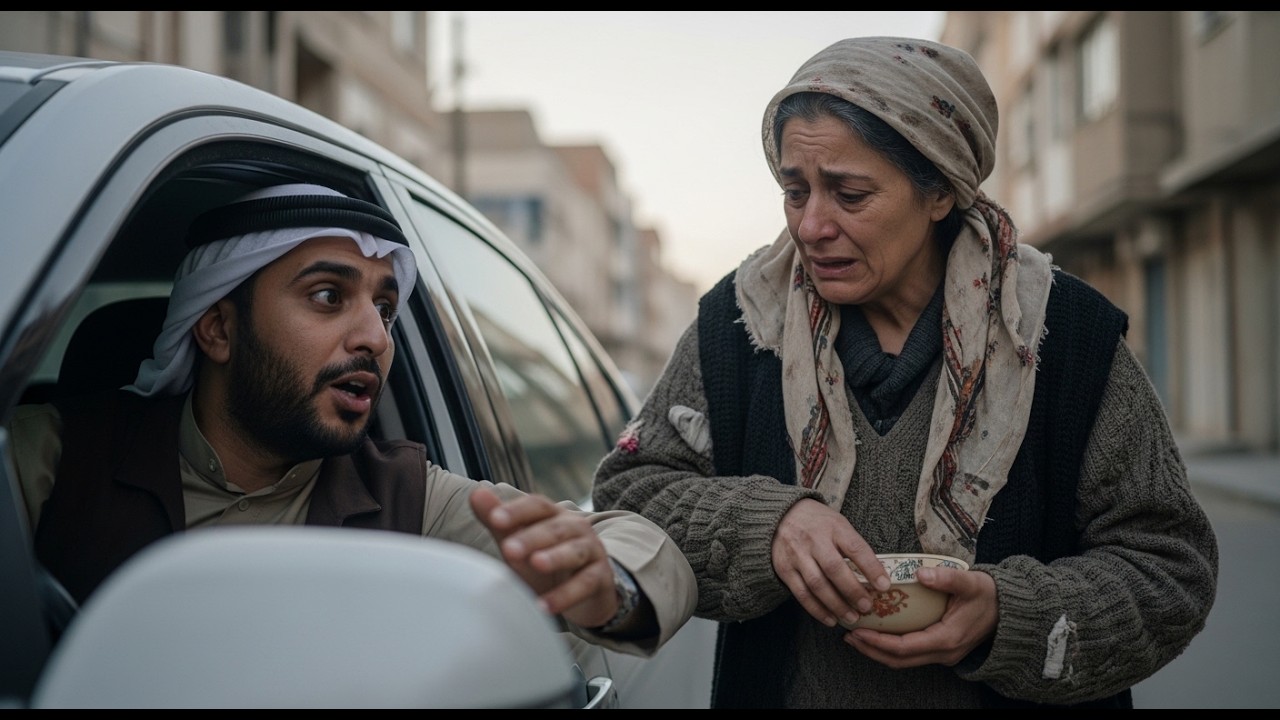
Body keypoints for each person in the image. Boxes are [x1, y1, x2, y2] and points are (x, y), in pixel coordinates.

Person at [590, 36, 1219, 708]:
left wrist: (1007, 616)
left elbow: (1168, 567)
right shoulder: (742, 324)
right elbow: (632, 492)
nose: (811, 225)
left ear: (939, 191)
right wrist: (768, 527)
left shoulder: (1062, 336)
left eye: (850, 194)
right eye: (795, 191)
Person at [8, 182, 696, 657]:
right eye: (328, 296)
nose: (376, 337)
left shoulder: (404, 497)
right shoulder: (54, 456)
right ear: (217, 329)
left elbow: (641, 547)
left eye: (385, 308)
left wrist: (607, 586)